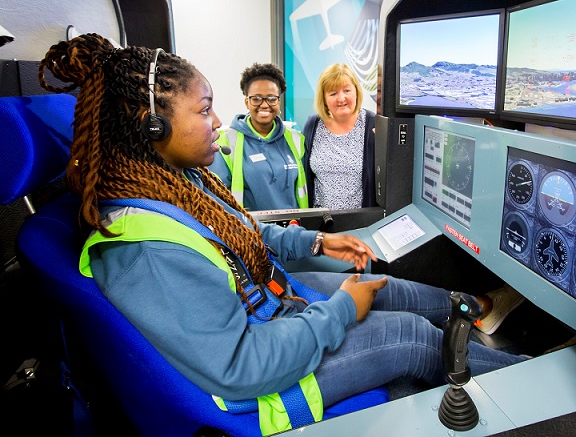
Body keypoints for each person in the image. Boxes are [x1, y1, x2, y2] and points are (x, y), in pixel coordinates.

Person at [38, 34, 526, 434]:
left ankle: (477, 310)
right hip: (263, 388)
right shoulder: (143, 248)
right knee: (413, 337)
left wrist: (316, 242)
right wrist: (338, 313)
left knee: (385, 288)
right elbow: (241, 368)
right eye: (204, 110)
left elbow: (243, 231)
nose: (216, 122)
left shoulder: (172, 182)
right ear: (151, 124)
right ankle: (533, 385)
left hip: (272, 309)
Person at [209, 62, 307, 211]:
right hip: (249, 229)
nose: (264, 104)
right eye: (256, 98)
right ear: (247, 102)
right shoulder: (226, 141)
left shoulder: (295, 139)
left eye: (271, 98)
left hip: (294, 228)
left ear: (279, 102)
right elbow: (215, 195)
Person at [303, 63, 377, 209]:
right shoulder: (313, 125)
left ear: (356, 92)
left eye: (347, 90)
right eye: (333, 93)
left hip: (361, 222)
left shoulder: (372, 124)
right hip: (321, 221)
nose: (341, 98)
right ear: (324, 99)